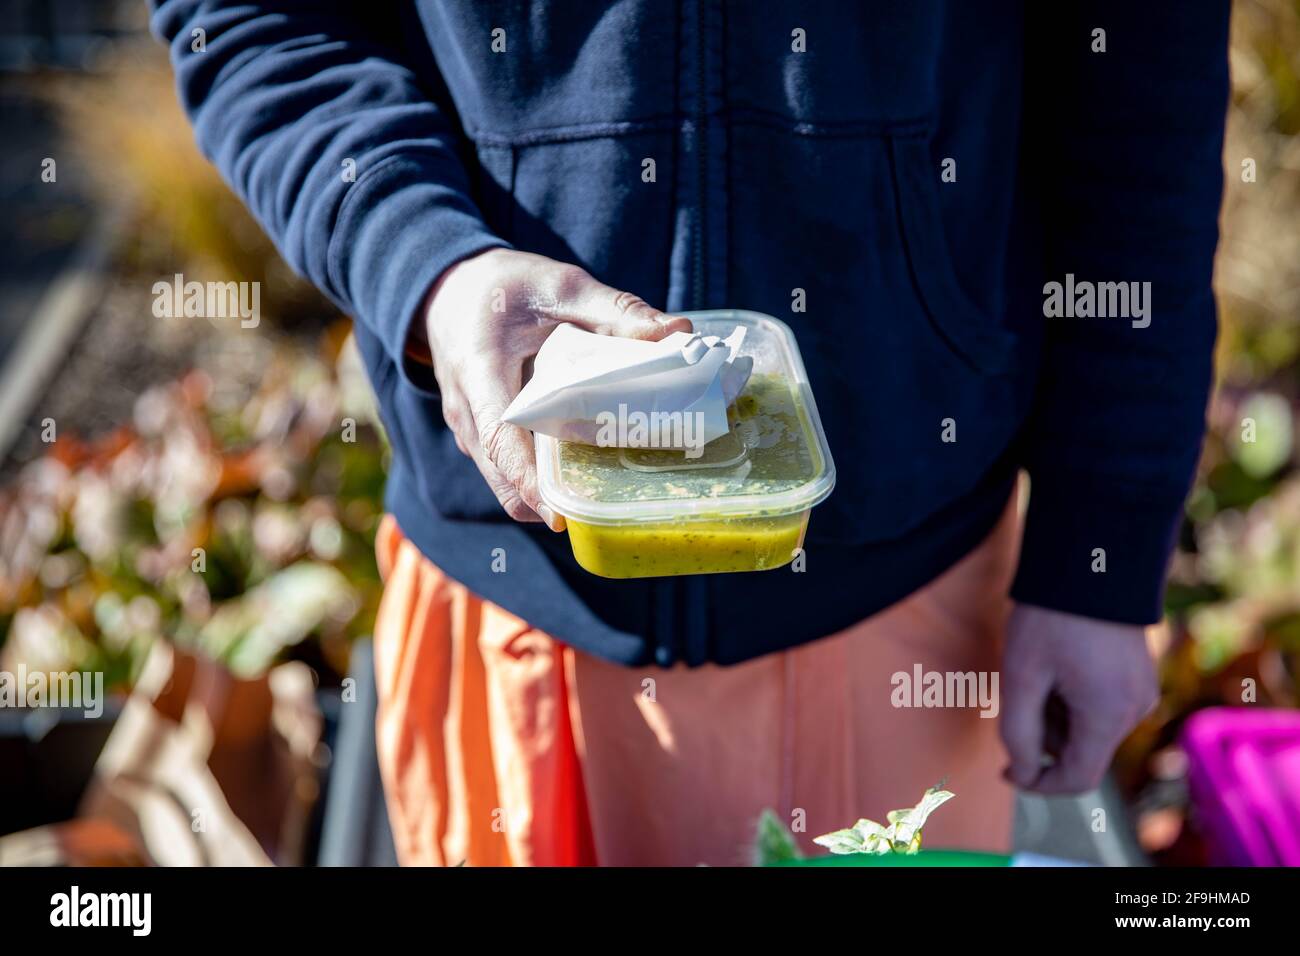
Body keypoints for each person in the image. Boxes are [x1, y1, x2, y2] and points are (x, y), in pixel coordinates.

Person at [151, 1, 1230, 865]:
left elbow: (1141, 87)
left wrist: (1101, 549)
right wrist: (426, 262)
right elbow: (256, 17)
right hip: (511, 612)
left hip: (909, 619)